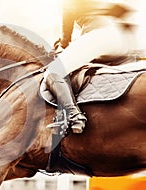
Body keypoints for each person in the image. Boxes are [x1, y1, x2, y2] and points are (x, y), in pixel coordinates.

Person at [43, 0, 134, 134]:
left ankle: (73, 115)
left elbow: (66, 37)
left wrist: (61, 45)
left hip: (98, 36)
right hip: (120, 39)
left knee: (53, 73)